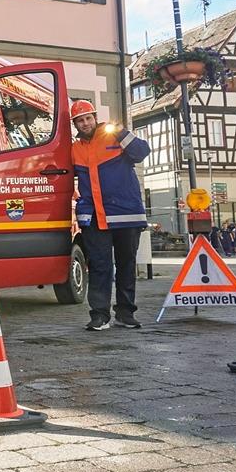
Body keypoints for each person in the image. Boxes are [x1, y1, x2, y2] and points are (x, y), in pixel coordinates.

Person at [69, 99, 150, 331]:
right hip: (94, 217)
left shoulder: (115, 136)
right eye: (80, 120)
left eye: (88, 118)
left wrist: (121, 132)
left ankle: (125, 313)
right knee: (99, 267)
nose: (85, 123)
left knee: (126, 264)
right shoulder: (75, 149)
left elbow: (141, 152)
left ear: (95, 117)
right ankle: (99, 316)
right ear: (75, 124)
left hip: (126, 214)